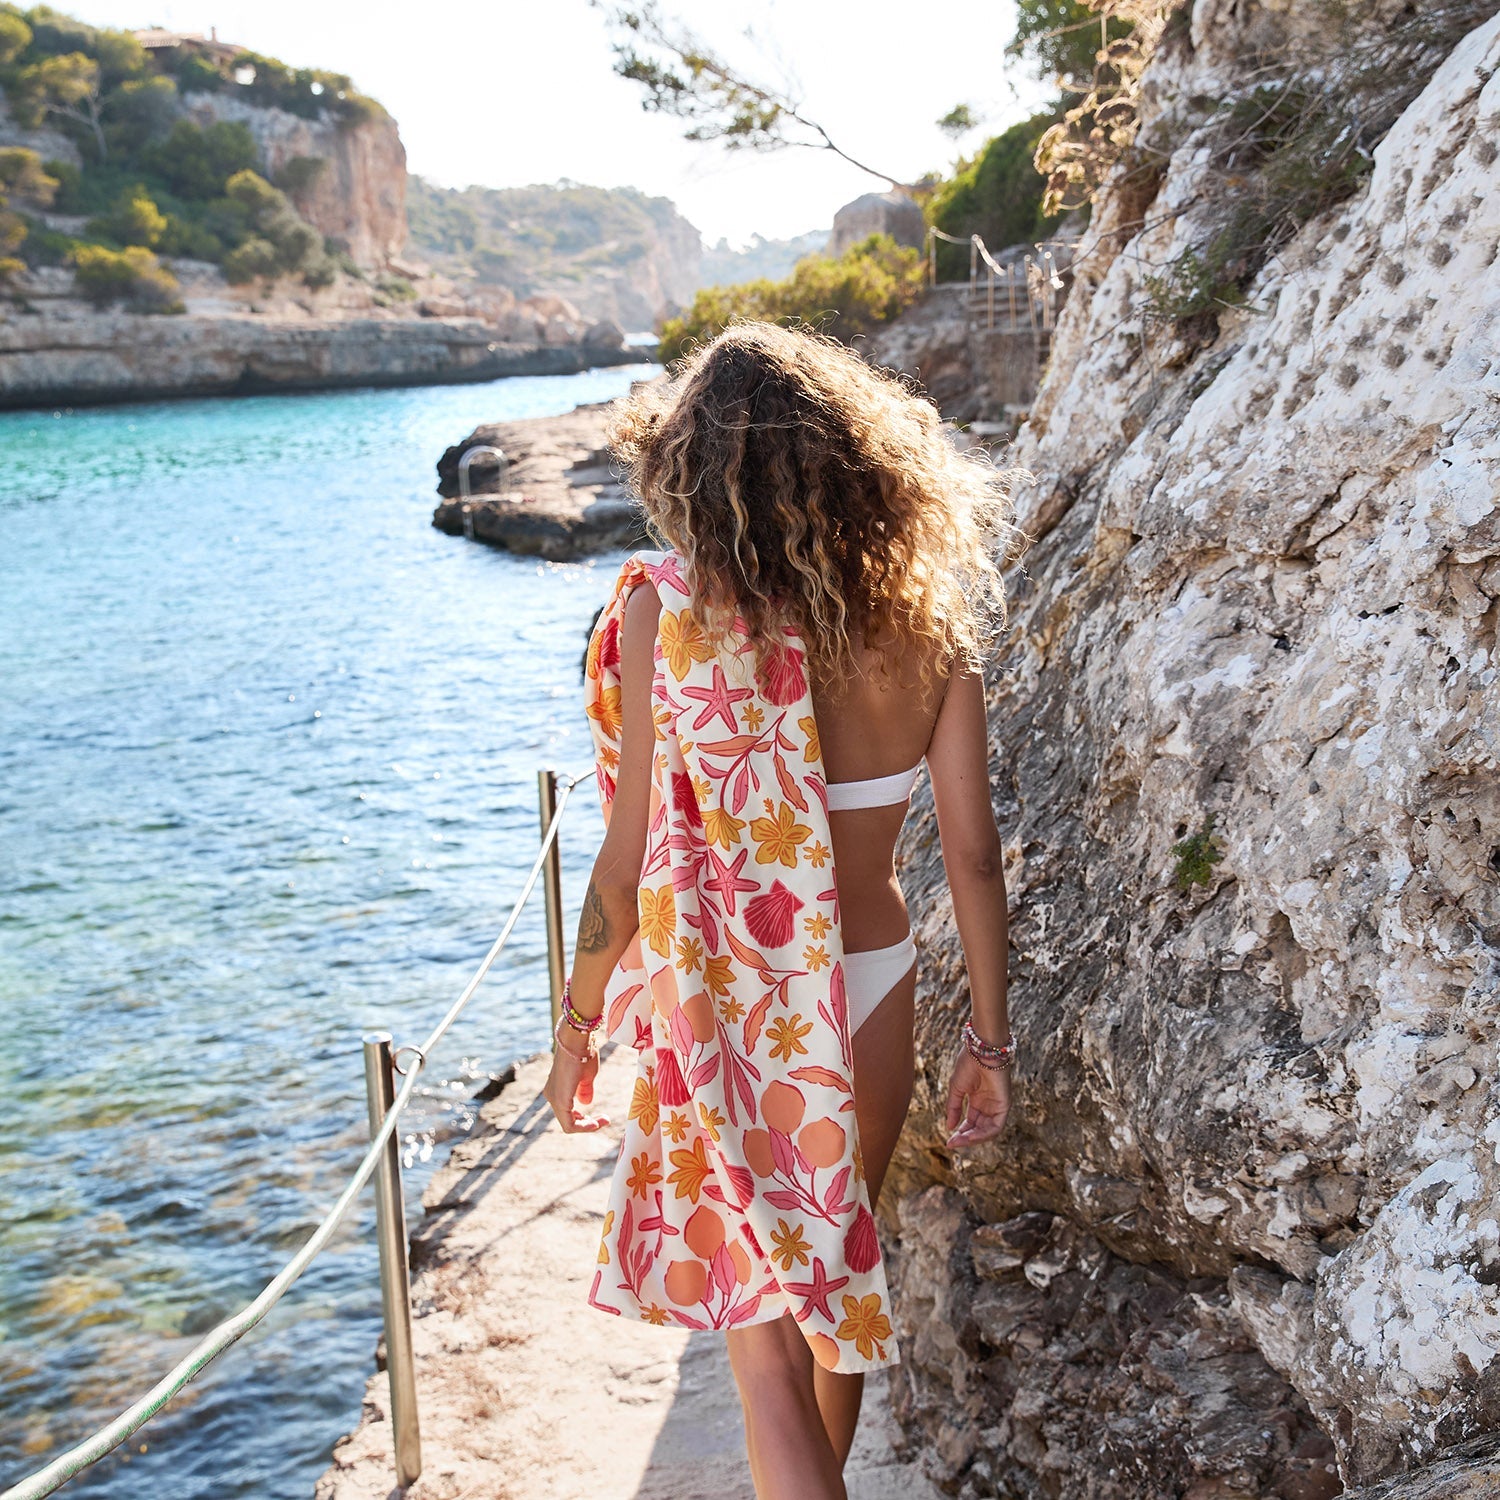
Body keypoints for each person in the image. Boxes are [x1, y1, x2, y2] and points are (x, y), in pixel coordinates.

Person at [543, 321, 1018, 1499]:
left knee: (760, 1350)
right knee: (833, 1289)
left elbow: (623, 869)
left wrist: (576, 1026)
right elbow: (973, 857)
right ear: (858, 463)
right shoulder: (930, 622)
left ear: (692, 475)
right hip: (872, 985)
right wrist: (990, 1041)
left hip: (727, 1004)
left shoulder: (666, 616)